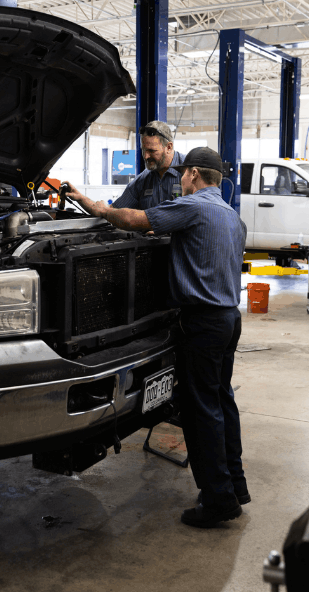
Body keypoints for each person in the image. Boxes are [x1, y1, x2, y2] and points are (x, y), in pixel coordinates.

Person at [65, 146, 248, 528]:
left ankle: (218, 500)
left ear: (194, 175)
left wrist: (96, 208)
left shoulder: (194, 207)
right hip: (229, 319)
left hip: (202, 323)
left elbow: (136, 219)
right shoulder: (232, 216)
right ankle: (235, 486)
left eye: (182, 174)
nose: (179, 180)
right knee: (222, 400)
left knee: (202, 412)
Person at [112, 120, 184, 210]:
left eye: (152, 151)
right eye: (143, 150)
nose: (146, 156)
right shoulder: (142, 181)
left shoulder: (190, 171)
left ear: (169, 147)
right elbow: (116, 209)